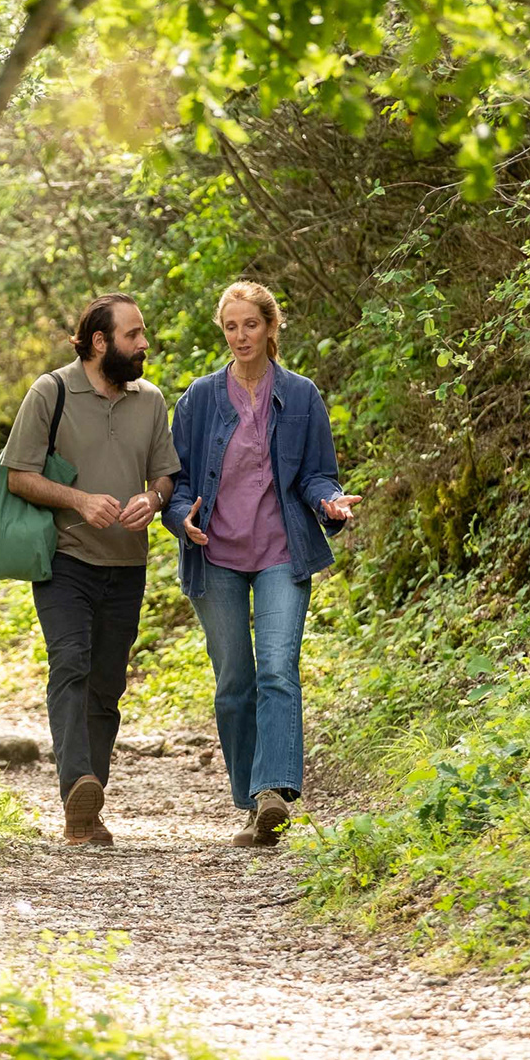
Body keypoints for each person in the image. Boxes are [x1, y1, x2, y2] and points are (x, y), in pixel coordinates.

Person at [163, 281, 360, 847]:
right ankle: (251, 801)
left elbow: (317, 473)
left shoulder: (300, 396)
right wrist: (182, 519)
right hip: (215, 553)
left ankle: (273, 791)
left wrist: (330, 501)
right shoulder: (199, 399)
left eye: (251, 324)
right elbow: (175, 485)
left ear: (271, 328)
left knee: (277, 667)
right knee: (234, 682)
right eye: (231, 326)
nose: (241, 335)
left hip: (281, 549)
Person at [3, 294, 181, 846]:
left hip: (127, 566)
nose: (144, 344)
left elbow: (165, 477)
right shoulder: (50, 392)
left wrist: (152, 501)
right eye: (133, 335)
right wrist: (79, 502)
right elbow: (18, 475)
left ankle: (89, 800)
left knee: (106, 687)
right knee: (71, 665)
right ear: (100, 342)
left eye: (143, 333)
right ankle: (76, 789)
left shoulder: (150, 401)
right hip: (65, 559)